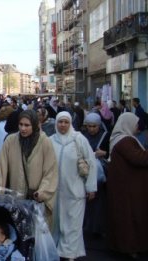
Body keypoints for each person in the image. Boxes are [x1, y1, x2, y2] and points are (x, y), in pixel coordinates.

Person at [0, 110, 58, 226]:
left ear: (34, 124)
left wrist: (42, 192)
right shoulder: (11, 141)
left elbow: (50, 171)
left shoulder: (45, 142)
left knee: (35, 236)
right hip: (15, 199)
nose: (23, 128)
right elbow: (0, 167)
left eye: (27, 125)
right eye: (21, 124)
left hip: (35, 201)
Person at [50, 111, 97, 261]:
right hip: (55, 192)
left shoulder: (79, 140)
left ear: (70, 123)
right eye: (60, 122)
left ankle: (69, 253)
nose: (63, 125)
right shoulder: (50, 140)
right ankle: (57, 250)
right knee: (57, 222)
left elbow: (91, 163)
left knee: (73, 223)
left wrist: (90, 187)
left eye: (66, 122)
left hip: (75, 190)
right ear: (56, 123)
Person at [106, 112, 148, 259]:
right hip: (128, 190)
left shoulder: (119, 139)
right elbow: (139, 158)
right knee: (130, 218)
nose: (138, 126)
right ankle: (131, 247)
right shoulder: (125, 141)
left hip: (124, 188)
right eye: (136, 123)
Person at [81, 113, 109, 236]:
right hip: (85, 173)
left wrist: (105, 153)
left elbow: (112, 152)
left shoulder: (105, 136)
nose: (91, 129)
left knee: (98, 202)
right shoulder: (82, 137)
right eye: (89, 126)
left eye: (94, 126)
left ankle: (97, 228)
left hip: (99, 175)